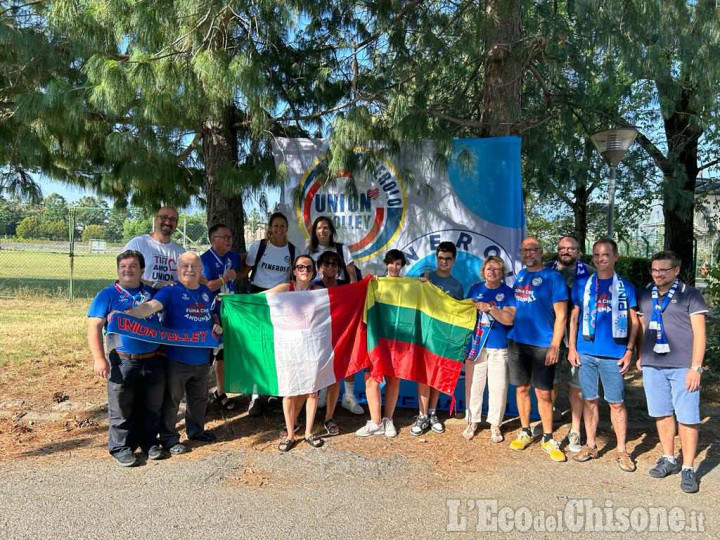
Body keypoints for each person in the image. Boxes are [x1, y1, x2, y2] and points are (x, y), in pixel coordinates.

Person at [126, 252, 221, 456]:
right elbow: (151, 307)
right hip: (176, 359)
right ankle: (169, 439)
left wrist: (216, 325)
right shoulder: (170, 292)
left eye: (194, 266)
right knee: (172, 401)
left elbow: (213, 314)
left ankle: (196, 431)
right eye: (185, 266)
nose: (189, 270)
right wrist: (127, 314)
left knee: (199, 399)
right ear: (177, 270)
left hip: (202, 359)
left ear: (200, 270)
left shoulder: (206, 292)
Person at [637, 251, 708, 494]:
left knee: (687, 417)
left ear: (675, 270)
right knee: (662, 413)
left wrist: (695, 368)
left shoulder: (690, 295)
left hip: (683, 367)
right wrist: (640, 356)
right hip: (653, 365)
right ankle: (669, 458)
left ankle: (688, 468)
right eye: (654, 270)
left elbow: (700, 334)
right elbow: (642, 326)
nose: (657, 274)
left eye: (663, 270)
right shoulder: (646, 293)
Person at [87, 250, 165, 467]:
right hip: (122, 360)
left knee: (151, 406)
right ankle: (121, 447)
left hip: (153, 358)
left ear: (142, 270)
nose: (127, 270)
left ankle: (149, 442)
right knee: (121, 407)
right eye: (123, 266)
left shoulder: (152, 294)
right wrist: (98, 358)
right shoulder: (107, 295)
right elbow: (94, 326)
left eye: (132, 266)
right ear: (118, 270)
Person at [568, 238, 639, 472]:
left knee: (616, 404)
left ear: (615, 256)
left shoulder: (626, 287)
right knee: (590, 400)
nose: (601, 259)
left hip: (614, 354)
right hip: (586, 352)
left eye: (606, 254)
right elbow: (574, 317)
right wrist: (571, 347)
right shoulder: (582, 285)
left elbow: (635, 322)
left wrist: (629, 351)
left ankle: (621, 450)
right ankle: (590, 445)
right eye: (597, 255)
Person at [507, 237, 568, 462]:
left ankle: (548, 437)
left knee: (543, 392)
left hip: (543, 345)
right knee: (522, 388)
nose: (529, 254)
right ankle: (525, 431)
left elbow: (561, 315)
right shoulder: (520, 276)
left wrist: (555, 345)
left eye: (533, 250)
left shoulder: (553, 278)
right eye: (525, 250)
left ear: (541, 252)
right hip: (517, 342)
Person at [265, 255, 325, 451]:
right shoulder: (285, 289)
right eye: (300, 267)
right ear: (294, 270)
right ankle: (290, 434)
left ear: (313, 271)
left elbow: (343, 298)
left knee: (312, 391)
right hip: (287, 346)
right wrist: (233, 300)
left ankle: (308, 432)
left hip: (311, 346)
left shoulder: (318, 292)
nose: (304, 270)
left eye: (308, 267)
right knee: (289, 391)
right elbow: (261, 298)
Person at [241, 212, 297, 417]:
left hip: (281, 301)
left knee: (277, 346)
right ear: (270, 228)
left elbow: (294, 276)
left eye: (283, 226)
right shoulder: (260, 246)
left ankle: (276, 391)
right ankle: (256, 396)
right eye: (275, 226)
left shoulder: (293, 250)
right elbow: (244, 270)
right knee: (258, 345)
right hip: (258, 296)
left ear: (286, 228)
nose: (279, 229)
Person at [305, 217, 363, 415]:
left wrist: (354, 298)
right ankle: (321, 392)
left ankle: (349, 396)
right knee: (321, 349)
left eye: (326, 227)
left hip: (341, 303)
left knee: (345, 349)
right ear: (314, 231)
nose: (323, 231)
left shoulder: (341, 249)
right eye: (319, 228)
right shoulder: (308, 252)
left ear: (331, 231)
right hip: (318, 305)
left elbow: (352, 274)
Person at [411, 241, 464, 436]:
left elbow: (459, 314)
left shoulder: (457, 286)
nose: (444, 262)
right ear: (436, 258)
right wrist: (421, 285)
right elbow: (412, 300)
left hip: (443, 338)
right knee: (424, 376)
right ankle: (422, 414)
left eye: (448, 258)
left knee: (436, 375)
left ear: (454, 260)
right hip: (425, 335)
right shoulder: (425, 278)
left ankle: (432, 413)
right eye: (441, 258)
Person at [547, 234, 594, 452]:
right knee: (551, 378)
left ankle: (576, 429)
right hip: (551, 332)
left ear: (579, 251)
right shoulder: (547, 270)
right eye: (562, 248)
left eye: (571, 248)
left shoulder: (591, 274)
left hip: (580, 335)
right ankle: (550, 417)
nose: (566, 251)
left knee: (576, 382)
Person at [463, 256, 516, 443]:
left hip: (499, 346)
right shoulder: (475, 289)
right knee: (473, 386)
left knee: (498, 387)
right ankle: (472, 421)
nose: (492, 272)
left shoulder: (509, 292)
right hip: (476, 346)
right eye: (489, 269)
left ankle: (495, 425)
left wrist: (489, 308)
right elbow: (464, 314)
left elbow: (509, 319)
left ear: (502, 273)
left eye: (496, 269)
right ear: (483, 271)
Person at [355, 249, 406, 437]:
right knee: (371, 379)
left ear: (402, 266)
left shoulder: (408, 285)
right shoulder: (376, 283)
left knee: (394, 378)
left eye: (398, 263)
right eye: (391, 263)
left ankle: (388, 420)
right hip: (376, 339)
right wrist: (369, 283)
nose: (394, 267)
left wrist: (422, 284)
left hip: (397, 341)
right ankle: (375, 422)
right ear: (386, 264)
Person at [200, 224, 241, 411]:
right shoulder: (204, 260)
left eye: (230, 236)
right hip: (210, 312)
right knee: (208, 354)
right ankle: (200, 395)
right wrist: (225, 278)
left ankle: (221, 391)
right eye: (224, 237)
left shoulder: (233, 257)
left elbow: (244, 268)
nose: (228, 240)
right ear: (212, 239)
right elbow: (208, 285)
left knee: (224, 354)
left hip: (230, 312)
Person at [123, 206, 185, 289]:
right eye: (164, 217)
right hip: (141, 298)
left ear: (176, 224)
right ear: (156, 220)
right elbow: (126, 276)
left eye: (173, 219)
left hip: (169, 299)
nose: (168, 222)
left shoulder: (180, 251)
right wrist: (155, 285)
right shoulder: (138, 243)